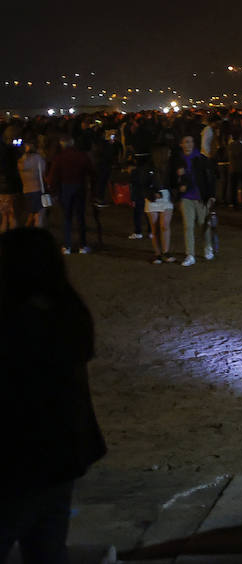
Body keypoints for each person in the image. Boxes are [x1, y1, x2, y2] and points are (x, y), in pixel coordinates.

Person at [0, 228, 106, 562]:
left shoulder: (17, 323)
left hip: (22, 463)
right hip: (62, 456)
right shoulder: (67, 310)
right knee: (47, 548)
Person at [171, 134, 218, 264]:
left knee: (203, 224)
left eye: (191, 142)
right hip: (186, 197)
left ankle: (207, 247)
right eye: (186, 142)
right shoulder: (177, 160)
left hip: (200, 197)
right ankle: (190, 254)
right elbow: (172, 179)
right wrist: (178, 184)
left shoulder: (201, 159)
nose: (188, 144)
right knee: (188, 226)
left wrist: (212, 195)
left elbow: (210, 178)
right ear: (181, 144)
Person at [48, 138, 94, 256]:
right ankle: (82, 245)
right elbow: (91, 171)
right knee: (80, 217)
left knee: (67, 217)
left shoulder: (59, 157)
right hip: (79, 186)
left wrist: (53, 191)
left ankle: (67, 245)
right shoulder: (81, 156)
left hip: (65, 188)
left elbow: (54, 176)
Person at [142, 161, 175, 264]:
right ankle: (157, 253)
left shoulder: (171, 165)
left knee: (164, 225)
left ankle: (166, 252)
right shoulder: (148, 166)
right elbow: (142, 182)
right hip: (153, 197)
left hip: (166, 196)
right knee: (154, 227)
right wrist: (151, 193)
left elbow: (175, 182)